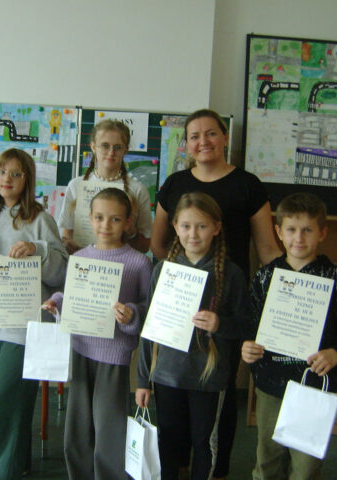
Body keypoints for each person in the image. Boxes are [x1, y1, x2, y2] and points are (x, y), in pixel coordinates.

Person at [150, 108, 282, 479]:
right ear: (186, 144)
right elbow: (159, 245)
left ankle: (214, 470)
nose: (203, 141)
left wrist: (292, 288)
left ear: (225, 137)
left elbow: (267, 250)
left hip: (226, 301)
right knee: (174, 398)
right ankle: (178, 467)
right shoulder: (174, 184)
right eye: (194, 136)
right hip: (178, 308)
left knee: (217, 394)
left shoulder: (247, 184)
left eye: (211, 133)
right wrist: (178, 281)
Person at [241, 192, 337, 480]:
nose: (298, 238)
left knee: (306, 467)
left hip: (314, 384)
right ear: (278, 232)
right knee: (267, 460)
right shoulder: (266, 277)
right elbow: (250, 323)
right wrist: (247, 345)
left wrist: (336, 352)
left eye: (307, 230)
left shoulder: (336, 278)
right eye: (291, 229)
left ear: (322, 233)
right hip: (271, 382)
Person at [0, 149, 68, 479]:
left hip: (25, 326)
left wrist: (37, 249)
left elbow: (62, 271)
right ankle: (17, 460)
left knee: (6, 400)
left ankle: (0, 471)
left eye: (15, 173)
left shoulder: (40, 219)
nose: (6, 178)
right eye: (1, 171)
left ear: (28, 180)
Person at [136, 192, 249, 480]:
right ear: (175, 226)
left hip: (208, 377)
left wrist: (219, 324)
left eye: (201, 226)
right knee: (168, 442)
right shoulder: (163, 270)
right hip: (167, 374)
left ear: (216, 228)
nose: (193, 234)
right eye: (186, 226)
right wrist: (143, 380)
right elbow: (150, 328)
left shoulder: (231, 274)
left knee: (204, 443)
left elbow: (245, 325)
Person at [44, 188, 153, 480]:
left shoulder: (139, 262)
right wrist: (56, 302)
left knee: (109, 426)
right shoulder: (80, 257)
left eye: (115, 219)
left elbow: (147, 308)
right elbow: (71, 295)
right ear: (90, 218)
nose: (106, 225)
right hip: (81, 348)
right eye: (100, 217)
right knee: (78, 425)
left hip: (114, 354)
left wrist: (131, 314)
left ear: (128, 223)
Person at [58, 119, 152, 254]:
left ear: (126, 150)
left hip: (121, 264)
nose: (111, 152)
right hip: (83, 262)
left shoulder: (137, 190)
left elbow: (144, 246)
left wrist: (131, 232)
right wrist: (68, 243)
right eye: (105, 146)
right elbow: (66, 234)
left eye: (118, 147)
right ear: (93, 147)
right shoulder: (76, 185)